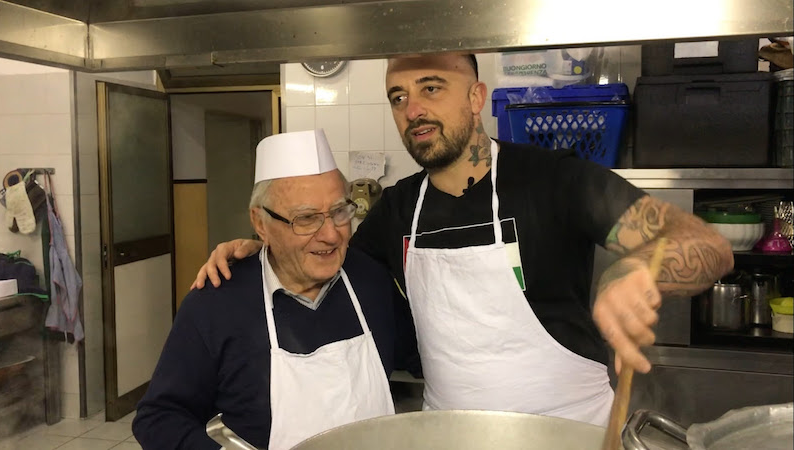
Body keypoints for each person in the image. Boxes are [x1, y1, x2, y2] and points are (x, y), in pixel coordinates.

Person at [193, 54, 733, 426]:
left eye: (431, 88)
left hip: (569, 431)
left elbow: (707, 246)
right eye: (398, 97)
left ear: (476, 97)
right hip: (451, 432)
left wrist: (637, 269)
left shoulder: (555, 180)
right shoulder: (398, 209)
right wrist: (261, 248)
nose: (413, 110)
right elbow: (322, 255)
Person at [134, 129, 416, 450]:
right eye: (306, 218)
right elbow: (159, 417)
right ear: (260, 223)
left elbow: (418, 353)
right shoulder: (217, 303)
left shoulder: (370, 279)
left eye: (339, 211)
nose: (331, 235)